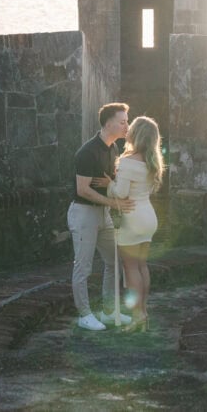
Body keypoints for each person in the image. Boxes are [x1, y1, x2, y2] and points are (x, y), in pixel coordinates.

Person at [69, 102, 135, 331]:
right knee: (83, 267)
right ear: (109, 124)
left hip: (103, 214)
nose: (127, 125)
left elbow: (112, 181)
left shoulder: (113, 148)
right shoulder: (87, 152)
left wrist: (114, 191)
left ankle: (108, 312)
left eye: (127, 121)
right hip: (84, 213)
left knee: (113, 260)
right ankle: (84, 314)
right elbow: (83, 190)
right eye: (123, 121)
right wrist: (114, 202)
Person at [109, 115, 164, 332]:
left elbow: (121, 193)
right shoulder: (152, 162)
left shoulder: (128, 161)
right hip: (148, 217)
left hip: (131, 218)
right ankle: (144, 312)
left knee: (130, 267)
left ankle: (137, 316)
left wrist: (109, 184)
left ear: (136, 133)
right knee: (141, 266)